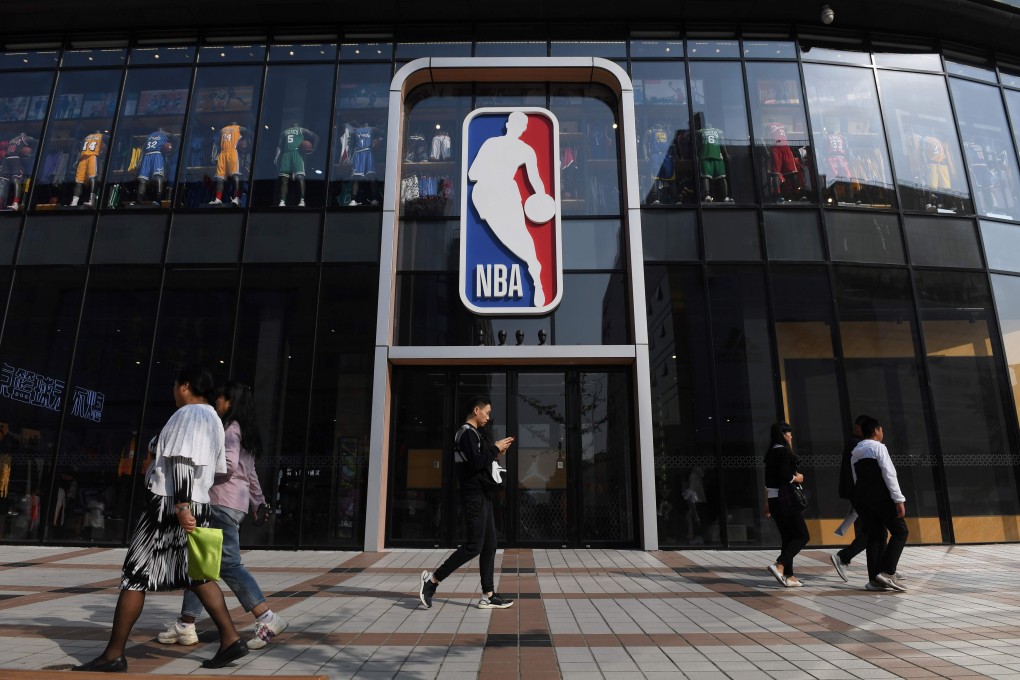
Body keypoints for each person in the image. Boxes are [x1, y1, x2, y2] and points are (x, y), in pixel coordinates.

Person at [73, 365, 249, 672]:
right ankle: (230, 639)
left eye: (175, 385)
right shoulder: (213, 418)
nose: (173, 392)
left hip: (170, 505)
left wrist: (181, 506)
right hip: (196, 501)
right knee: (197, 575)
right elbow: (215, 467)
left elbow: (182, 460)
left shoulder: (188, 414)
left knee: (135, 575)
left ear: (185, 386)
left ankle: (113, 655)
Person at [158, 380, 288, 651]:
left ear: (230, 402)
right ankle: (186, 624)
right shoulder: (246, 431)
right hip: (235, 505)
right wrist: (258, 502)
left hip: (219, 503)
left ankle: (267, 617)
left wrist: (201, 474)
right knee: (201, 564)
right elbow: (249, 473)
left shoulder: (230, 428)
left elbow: (228, 466)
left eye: (220, 399)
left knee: (227, 565)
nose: (216, 402)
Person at [419, 397, 514, 609]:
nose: (488, 417)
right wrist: (495, 448)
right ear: (476, 410)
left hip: (483, 495)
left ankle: (488, 595)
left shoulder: (475, 434)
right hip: (474, 496)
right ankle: (432, 580)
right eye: (486, 412)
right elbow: (476, 463)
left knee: (490, 545)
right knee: (474, 546)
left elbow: (480, 461)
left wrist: (497, 451)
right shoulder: (466, 433)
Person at [468, 111, 549, 306]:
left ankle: (534, 269)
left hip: (488, 193)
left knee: (513, 235)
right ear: (523, 129)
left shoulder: (491, 143)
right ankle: (534, 268)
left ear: (507, 125)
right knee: (518, 234)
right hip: (499, 193)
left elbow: (473, 173)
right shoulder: (525, 150)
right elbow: (536, 181)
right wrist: (541, 198)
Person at [851, 417, 909, 592]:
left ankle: (874, 581)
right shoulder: (878, 447)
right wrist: (898, 499)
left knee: (876, 535)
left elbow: (856, 478)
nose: (882, 433)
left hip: (863, 499)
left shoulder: (855, 453)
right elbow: (889, 473)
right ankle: (888, 572)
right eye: (881, 430)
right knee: (900, 531)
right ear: (876, 431)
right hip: (881, 497)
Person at [763, 421, 809, 588]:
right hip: (786, 501)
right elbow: (785, 475)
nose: (791, 435)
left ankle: (789, 576)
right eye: (788, 432)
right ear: (782, 435)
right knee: (803, 536)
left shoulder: (770, 453)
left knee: (788, 537)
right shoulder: (783, 451)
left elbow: (767, 482)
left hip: (774, 500)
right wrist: (798, 478)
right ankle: (780, 565)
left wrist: (767, 502)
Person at [831, 414, 872, 582]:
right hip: (861, 494)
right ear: (858, 428)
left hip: (859, 493)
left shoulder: (855, 443)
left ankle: (886, 567)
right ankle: (844, 556)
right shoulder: (858, 444)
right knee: (874, 531)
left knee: (874, 531)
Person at [275, 122, 319, 207]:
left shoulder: (292, 131)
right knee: (286, 178)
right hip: (288, 154)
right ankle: (283, 201)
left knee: (298, 177)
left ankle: (301, 200)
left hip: (295, 153)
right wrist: (314, 149)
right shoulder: (298, 130)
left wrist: (276, 156)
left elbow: (279, 146)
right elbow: (316, 136)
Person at [209, 122, 250, 206]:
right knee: (222, 177)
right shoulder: (238, 128)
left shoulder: (224, 129)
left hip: (229, 152)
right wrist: (247, 142)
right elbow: (250, 132)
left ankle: (236, 198)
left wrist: (246, 143)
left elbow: (217, 142)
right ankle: (219, 199)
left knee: (233, 175)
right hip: (228, 152)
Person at [70, 130, 105, 208]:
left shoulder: (87, 137)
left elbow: (81, 150)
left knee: (79, 181)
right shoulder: (101, 136)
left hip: (82, 158)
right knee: (93, 178)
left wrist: (76, 161)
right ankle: (92, 201)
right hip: (92, 156)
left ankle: (74, 203)